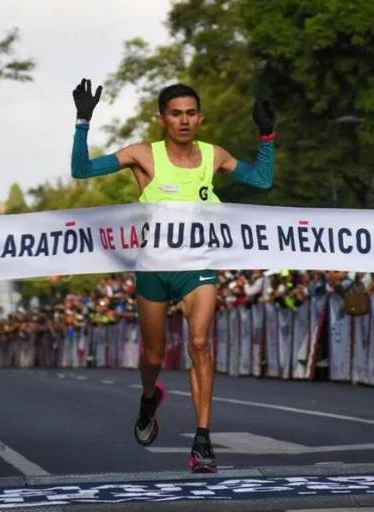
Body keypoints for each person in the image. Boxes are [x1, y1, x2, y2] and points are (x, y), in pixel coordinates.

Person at [70, 78, 276, 473]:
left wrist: (266, 136)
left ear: (200, 118)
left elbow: (262, 181)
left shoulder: (214, 155)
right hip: (154, 269)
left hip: (198, 267)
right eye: (175, 114)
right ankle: (149, 397)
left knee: (200, 344)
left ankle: (203, 440)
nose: (184, 121)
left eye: (191, 114)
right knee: (153, 355)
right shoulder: (143, 155)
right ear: (161, 119)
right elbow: (82, 171)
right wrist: (83, 121)